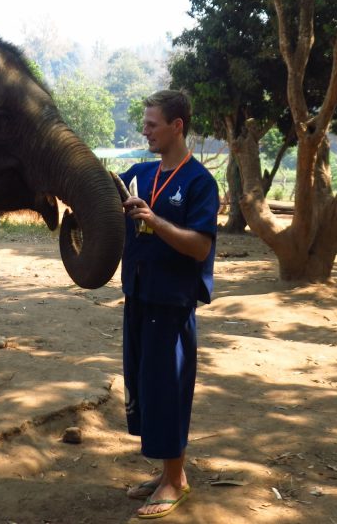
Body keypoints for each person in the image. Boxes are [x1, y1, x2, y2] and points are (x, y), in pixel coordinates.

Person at [119, 90, 218, 519]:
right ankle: (164, 472)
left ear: (177, 126)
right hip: (138, 296)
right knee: (143, 387)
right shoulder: (140, 172)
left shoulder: (199, 182)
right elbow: (99, 190)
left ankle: (175, 480)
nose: (145, 131)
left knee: (167, 390)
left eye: (152, 124)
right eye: (144, 124)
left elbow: (199, 247)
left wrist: (155, 221)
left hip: (171, 303)